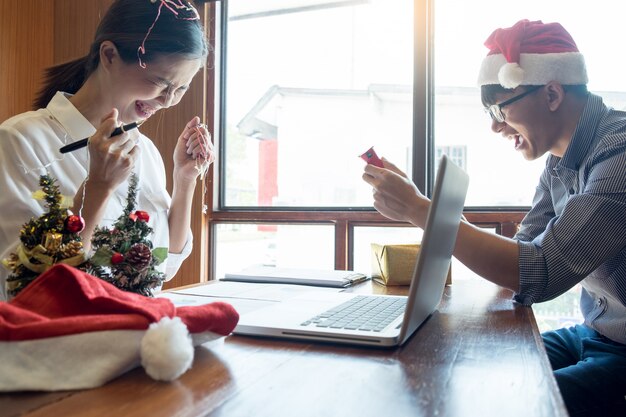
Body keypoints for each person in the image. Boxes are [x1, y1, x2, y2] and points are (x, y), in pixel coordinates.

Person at [363, 19, 626, 417]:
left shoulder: (619, 154)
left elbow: (541, 273)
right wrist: (430, 212)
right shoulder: (560, 160)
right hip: (594, 333)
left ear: (552, 93)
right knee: (473, 367)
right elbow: (524, 249)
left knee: (509, 402)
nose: (494, 125)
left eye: (499, 107)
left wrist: (422, 211)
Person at [0, 0, 214, 300]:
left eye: (180, 89)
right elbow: (22, 287)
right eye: (159, 82)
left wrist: (185, 179)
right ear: (110, 55)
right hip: (61, 341)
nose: (167, 101)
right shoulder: (19, 140)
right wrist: (97, 187)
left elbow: (164, 267)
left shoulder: (144, 149)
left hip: (140, 336)